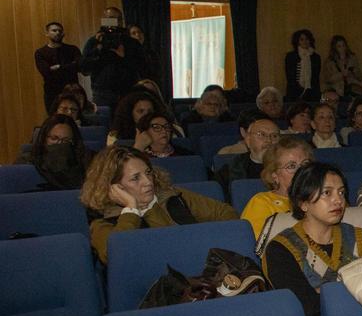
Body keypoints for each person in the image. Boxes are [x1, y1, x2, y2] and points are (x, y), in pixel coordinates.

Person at [82, 146, 238, 263]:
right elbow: (120, 257)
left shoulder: (172, 195)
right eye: (135, 178)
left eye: (148, 172)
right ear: (114, 186)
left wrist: (207, 242)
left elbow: (225, 212)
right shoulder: (102, 223)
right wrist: (131, 209)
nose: (148, 182)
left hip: (200, 268)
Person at [262, 162, 362, 316]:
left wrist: (323, 291)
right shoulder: (280, 249)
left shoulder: (359, 236)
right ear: (303, 203)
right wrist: (361, 287)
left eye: (341, 192)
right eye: (327, 193)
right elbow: (307, 308)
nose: (338, 200)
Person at [241, 137, 315, 239]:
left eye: (305, 164)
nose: (301, 171)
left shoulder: (323, 196)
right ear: (274, 175)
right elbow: (259, 246)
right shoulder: (262, 203)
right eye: (291, 166)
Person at [79, 7, 146, 107]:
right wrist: (97, 50)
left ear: (121, 21)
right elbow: (84, 69)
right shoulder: (94, 41)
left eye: (118, 19)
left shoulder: (131, 43)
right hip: (102, 93)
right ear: (103, 20)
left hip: (128, 91)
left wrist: (124, 56)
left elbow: (142, 67)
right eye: (110, 18)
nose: (114, 22)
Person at [17, 115, 92, 190]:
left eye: (66, 140)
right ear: (43, 138)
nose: (59, 143)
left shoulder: (87, 160)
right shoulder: (26, 161)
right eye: (54, 138)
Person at [216, 110, 280, 191]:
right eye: (261, 135)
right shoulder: (231, 169)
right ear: (248, 140)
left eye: (274, 136)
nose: (269, 140)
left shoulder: (288, 167)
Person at [34, 21, 81, 115]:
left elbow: (79, 66)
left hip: (72, 91)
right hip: (52, 93)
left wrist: (59, 67)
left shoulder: (72, 49)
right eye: (54, 30)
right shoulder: (40, 52)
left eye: (60, 31)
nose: (57, 33)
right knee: (54, 119)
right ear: (47, 33)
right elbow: (46, 72)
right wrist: (69, 67)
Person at [283, 28, 321, 102]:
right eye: (302, 39)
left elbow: (316, 76)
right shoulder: (291, 56)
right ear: (297, 41)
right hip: (294, 92)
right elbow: (290, 75)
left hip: (312, 92)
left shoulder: (316, 57)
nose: (305, 41)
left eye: (307, 39)